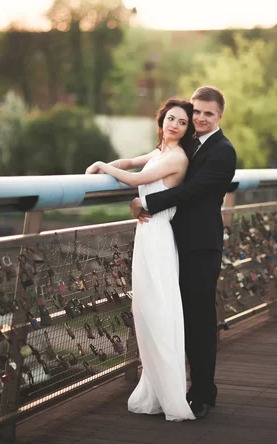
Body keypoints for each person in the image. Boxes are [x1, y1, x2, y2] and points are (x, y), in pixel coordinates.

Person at [86, 98, 196, 422]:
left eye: (182, 122)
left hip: (159, 235)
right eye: (171, 119)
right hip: (146, 234)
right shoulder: (160, 152)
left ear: (187, 130)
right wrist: (110, 164)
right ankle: (156, 389)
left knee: (160, 311)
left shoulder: (177, 157)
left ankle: (172, 395)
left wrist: (102, 166)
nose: (175, 125)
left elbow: (134, 182)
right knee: (145, 308)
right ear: (161, 120)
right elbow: (132, 162)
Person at [130, 86, 236, 419]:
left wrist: (145, 202)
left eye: (208, 113)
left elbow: (193, 191)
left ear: (219, 116)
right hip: (170, 242)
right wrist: (108, 166)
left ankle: (203, 392)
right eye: (197, 112)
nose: (201, 118)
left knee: (199, 320)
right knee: (170, 314)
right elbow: (154, 162)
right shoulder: (186, 142)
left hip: (200, 246)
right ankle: (167, 385)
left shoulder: (223, 151)